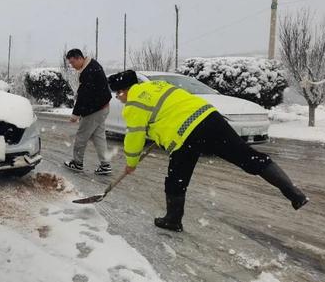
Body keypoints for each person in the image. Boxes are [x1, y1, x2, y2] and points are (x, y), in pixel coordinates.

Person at [107, 70, 308, 232]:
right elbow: (169, 108)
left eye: (118, 93)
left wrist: (131, 163)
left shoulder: (133, 103)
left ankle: (172, 220)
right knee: (248, 157)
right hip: (210, 118)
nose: (119, 98)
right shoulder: (158, 86)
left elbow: (134, 136)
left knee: (176, 179)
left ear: (124, 90)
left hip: (186, 134)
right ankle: (293, 193)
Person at [63, 48, 113, 175]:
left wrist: (75, 114)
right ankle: (105, 165)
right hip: (103, 107)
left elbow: (84, 96)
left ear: (80, 58)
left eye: (73, 62)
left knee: (81, 136)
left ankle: (77, 163)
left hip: (94, 110)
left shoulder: (88, 71)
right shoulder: (92, 65)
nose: (72, 66)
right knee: (99, 137)